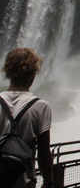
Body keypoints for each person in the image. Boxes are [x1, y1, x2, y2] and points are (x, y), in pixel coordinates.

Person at [0, 48, 53, 188]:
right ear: (33, 74)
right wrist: (48, 183)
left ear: (8, 72)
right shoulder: (41, 107)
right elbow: (44, 154)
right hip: (23, 181)